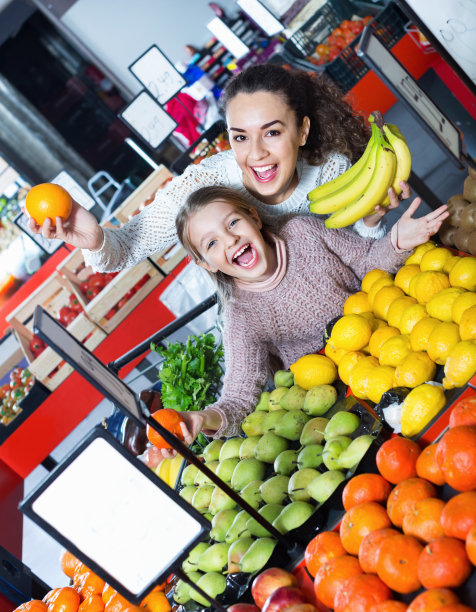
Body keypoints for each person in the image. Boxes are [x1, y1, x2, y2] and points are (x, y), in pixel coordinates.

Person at [27, 64, 410, 271]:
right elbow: (124, 250)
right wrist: (95, 241)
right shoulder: (203, 184)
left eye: (272, 132)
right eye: (241, 137)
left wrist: (372, 221)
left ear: (302, 130)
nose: (256, 153)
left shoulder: (333, 173)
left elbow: (369, 258)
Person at [157, 185, 448, 448]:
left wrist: (397, 240)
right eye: (211, 244)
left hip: (399, 336)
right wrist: (203, 418)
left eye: (233, 223)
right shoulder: (242, 317)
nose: (230, 240)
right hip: (349, 398)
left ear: (254, 218)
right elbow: (239, 397)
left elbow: (368, 262)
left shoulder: (303, 232)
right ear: (206, 264)